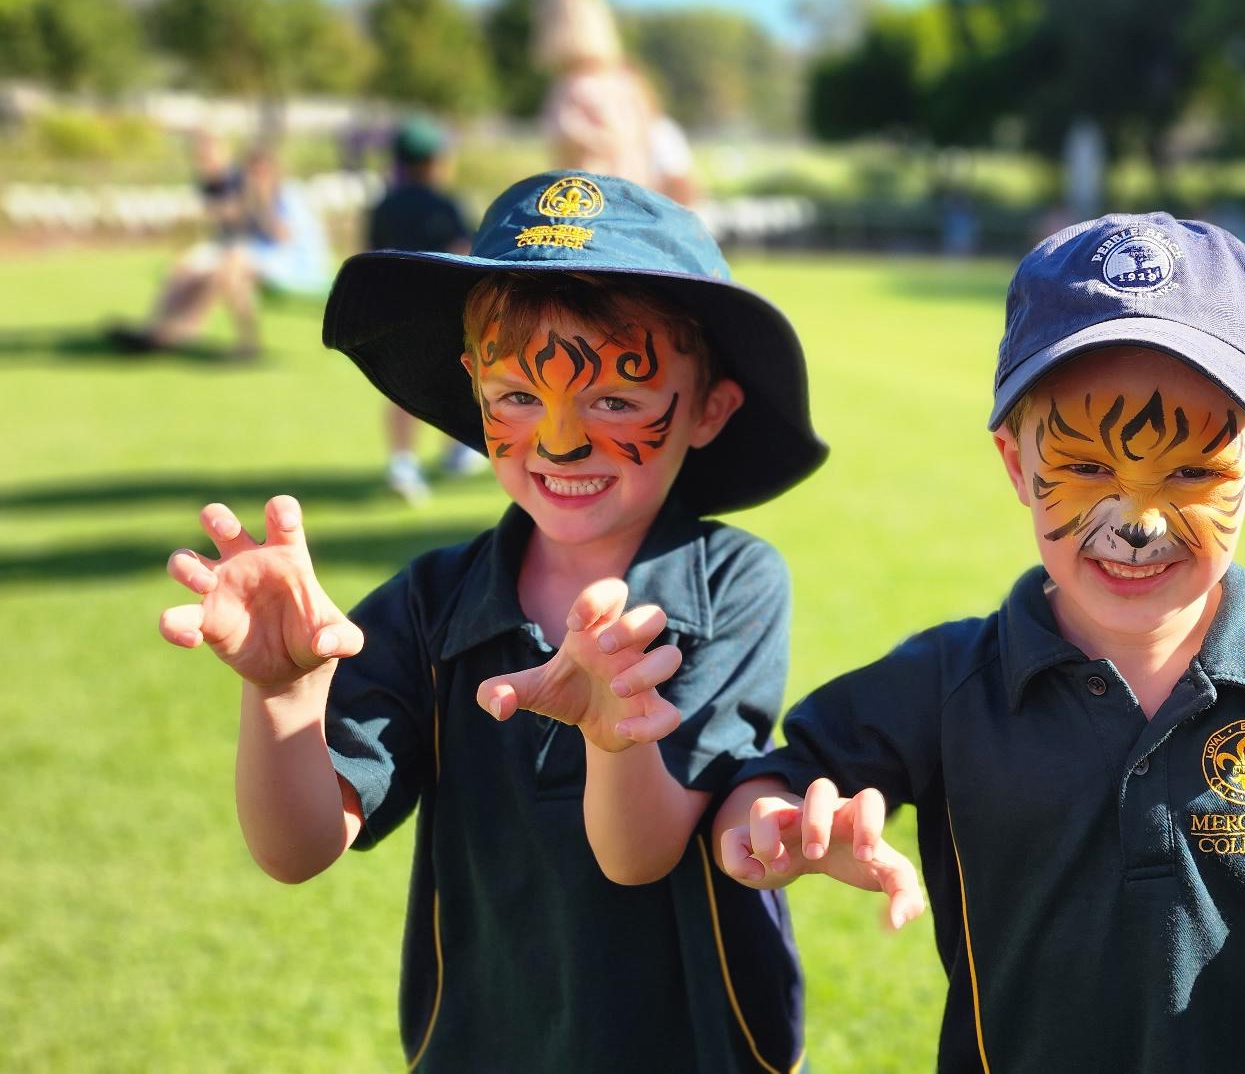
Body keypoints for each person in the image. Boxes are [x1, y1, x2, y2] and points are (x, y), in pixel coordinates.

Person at [703, 214, 1245, 1072]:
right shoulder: (951, 680)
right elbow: (768, 786)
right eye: (1084, 468)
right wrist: (773, 825)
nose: (1137, 523)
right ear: (1016, 465)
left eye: (1192, 472)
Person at [155, 171, 824, 1071]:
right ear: (471, 389)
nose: (558, 439)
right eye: (517, 395)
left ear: (708, 408)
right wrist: (283, 697)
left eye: (616, 399)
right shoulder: (432, 604)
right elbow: (298, 848)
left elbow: (639, 855)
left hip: (694, 1046)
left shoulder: (734, 583)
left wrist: (614, 737)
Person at [109, 144, 327, 360]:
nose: (255, 178)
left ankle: (211, 336)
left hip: (294, 262)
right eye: (251, 173)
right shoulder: (249, 194)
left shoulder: (288, 195)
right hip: (260, 257)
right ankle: (155, 328)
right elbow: (236, 223)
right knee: (189, 265)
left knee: (231, 264)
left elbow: (282, 237)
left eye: (261, 172)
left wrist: (262, 204)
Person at [366, 118, 482, 502]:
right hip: (439, 307)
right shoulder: (444, 203)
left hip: (392, 307)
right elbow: (464, 250)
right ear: (434, 161)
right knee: (457, 378)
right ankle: (459, 449)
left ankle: (405, 462)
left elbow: (370, 254)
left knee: (404, 388)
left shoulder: (383, 204)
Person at [537, 0, 699, 205]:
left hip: (592, 209)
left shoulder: (572, 90)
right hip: (634, 207)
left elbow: (570, 166)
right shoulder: (628, 84)